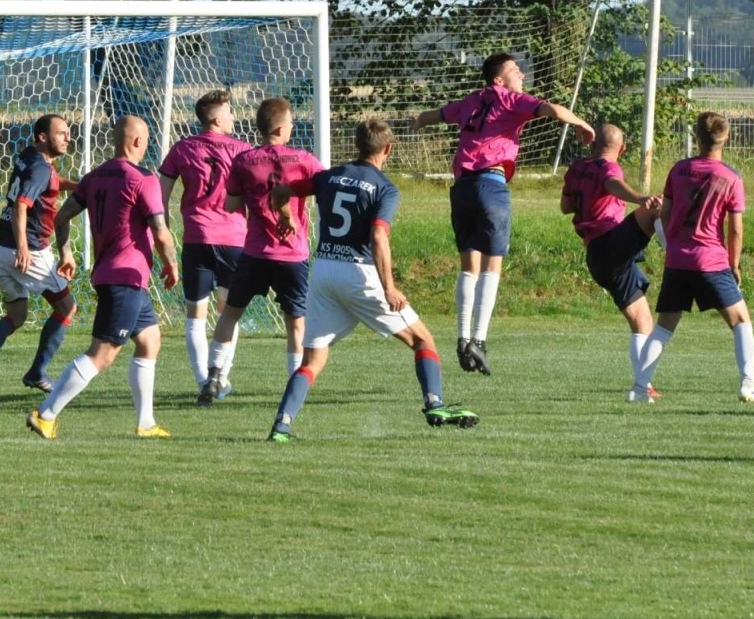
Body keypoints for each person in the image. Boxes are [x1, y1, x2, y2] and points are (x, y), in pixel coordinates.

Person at [265, 118, 478, 442]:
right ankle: (435, 404)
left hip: (323, 271)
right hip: (358, 272)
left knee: (313, 359)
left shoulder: (327, 176)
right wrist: (389, 287)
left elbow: (280, 190)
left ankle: (281, 427)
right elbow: (379, 235)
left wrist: (285, 217)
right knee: (422, 339)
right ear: (388, 149)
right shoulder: (384, 188)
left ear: (356, 144)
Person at [412, 51, 594, 375]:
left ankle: (461, 337)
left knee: (469, 265)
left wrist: (416, 120)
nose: (521, 74)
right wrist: (581, 123)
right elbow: (551, 109)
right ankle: (479, 342)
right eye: (515, 70)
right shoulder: (510, 99)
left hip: (462, 189)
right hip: (491, 184)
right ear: (499, 79)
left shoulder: (472, 100)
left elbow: (435, 116)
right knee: (492, 265)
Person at [26, 116, 179, 440]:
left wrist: (66, 252)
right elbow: (161, 232)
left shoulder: (94, 177)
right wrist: (172, 264)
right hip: (125, 277)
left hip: (117, 276)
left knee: (150, 340)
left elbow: (63, 215)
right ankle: (46, 413)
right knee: (103, 354)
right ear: (137, 142)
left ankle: (146, 422)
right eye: (147, 140)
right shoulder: (142, 178)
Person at [634, 112, 754, 404]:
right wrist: (734, 264)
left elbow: (667, 213)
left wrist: (672, 245)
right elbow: (735, 228)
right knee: (741, 321)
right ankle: (748, 386)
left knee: (663, 327)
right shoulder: (730, 178)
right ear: (727, 138)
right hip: (711, 260)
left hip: (678, 259)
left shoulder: (678, 170)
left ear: (697, 138)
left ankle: (639, 387)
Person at [198, 97, 324, 404]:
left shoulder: (243, 161)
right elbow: (325, 184)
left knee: (230, 314)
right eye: (291, 122)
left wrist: (256, 200)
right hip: (292, 254)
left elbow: (231, 204)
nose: (293, 126)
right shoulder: (304, 159)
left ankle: (213, 378)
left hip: (254, 251)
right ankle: (295, 384)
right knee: (295, 322)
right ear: (281, 128)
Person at [0, 114, 76, 397]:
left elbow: (46, 182)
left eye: (68, 132)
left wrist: (76, 185)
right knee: (67, 308)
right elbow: (21, 206)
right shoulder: (41, 169)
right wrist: (24, 248)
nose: (68, 138)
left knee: (17, 314)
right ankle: (37, 372)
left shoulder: (29, 157)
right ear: (42, 137)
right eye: (62, 133)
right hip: (27, 251)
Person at [561, 123, 666, 401]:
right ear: (623, 148)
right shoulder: (610, 167)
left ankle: (643, 387)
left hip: (596, 256)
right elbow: (612, 183)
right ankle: (676, 256)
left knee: (642, 319)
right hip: (610, 242)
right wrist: (640, 198)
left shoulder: (575, 169)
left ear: (593, 144)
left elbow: (566, 207)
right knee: (658, 207)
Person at [157, 89, 250, 392]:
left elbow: (161, 198)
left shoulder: (182, 149)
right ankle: (220, 377)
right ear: (216, 118)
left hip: (197, 238)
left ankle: (202, 382)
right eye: (230, 111)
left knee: (195, 315)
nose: (233, 116)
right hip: (234, 240)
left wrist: (165, 235)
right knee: (228, 313)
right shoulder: (242, 151)